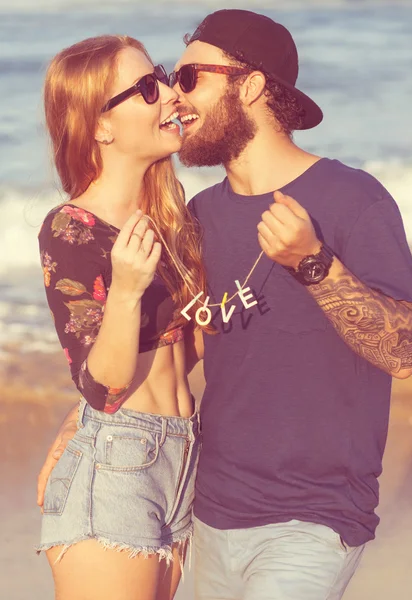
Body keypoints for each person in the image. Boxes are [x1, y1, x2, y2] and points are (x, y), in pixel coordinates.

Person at [39, 9, 412, 600]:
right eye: (165, 81)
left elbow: (404, 350)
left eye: (188, 78)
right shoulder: (199, 219)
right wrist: (87, 421)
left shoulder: (350, 199)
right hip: (206, 505)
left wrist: (314, 264)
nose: (173, 95)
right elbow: (186, 338)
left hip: (315, 515)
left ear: (249, 86)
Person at [36, 35, 206, 600]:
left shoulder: (172, 220)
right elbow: (104, 385)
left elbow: (187, 350)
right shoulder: (71, 229)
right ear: (100, 126)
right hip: (117, 463)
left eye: (160, 75)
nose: (167, 94)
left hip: (180, 459)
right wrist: (127, 289)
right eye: (145, 88)